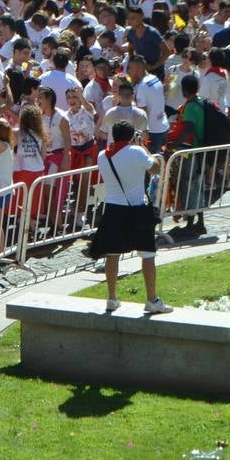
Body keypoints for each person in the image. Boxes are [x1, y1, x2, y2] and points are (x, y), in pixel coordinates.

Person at [88, 121, 171, 315]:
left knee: (112, 254)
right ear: (131, 136)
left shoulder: (102, 156)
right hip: (136, 209)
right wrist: (143, 147)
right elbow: (155, 168)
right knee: (148, 255)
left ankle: (112, 298)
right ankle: (152, 300)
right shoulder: (137, 152)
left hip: (113, 210)